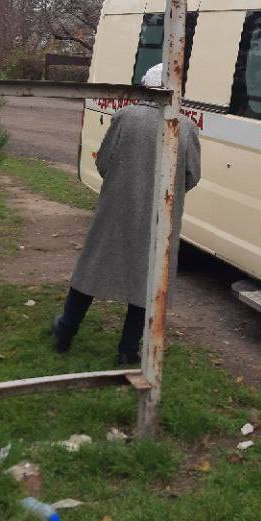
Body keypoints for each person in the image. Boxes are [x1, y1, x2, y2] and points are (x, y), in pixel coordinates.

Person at [52, 63, 202, 364]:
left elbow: (104, 161)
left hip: (116, 210)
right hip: (161, 216)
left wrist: (122, 186)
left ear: (144, 88)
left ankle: (65, 332)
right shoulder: (185, 127)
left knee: (92, 269)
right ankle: (127, 350)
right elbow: (191, 175)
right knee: (147, 279)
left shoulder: (124, 116)